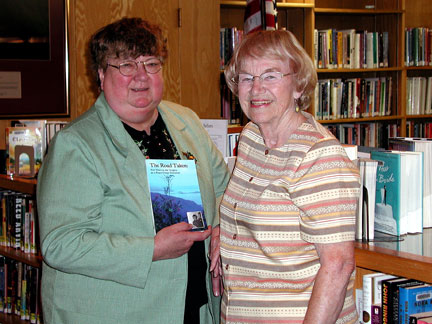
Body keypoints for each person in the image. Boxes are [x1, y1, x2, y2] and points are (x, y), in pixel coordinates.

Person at [37, 17, 229, 324]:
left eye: (151, 63)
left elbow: (225, 191)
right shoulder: (76, 144)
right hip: (118, 312)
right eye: (126, 65)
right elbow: (61, 243)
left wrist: (222, 230)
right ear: (101, 75)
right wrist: (151, 250)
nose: (141, 76)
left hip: (193, 306)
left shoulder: (187, 123)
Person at [211, 30, 360, 323]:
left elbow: (338, 266)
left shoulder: (319, 155)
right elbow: (247, 208)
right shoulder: (252, 137)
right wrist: (225, 234)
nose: (256, 89)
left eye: (270, 76)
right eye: (246, 77)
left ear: (298, 85)